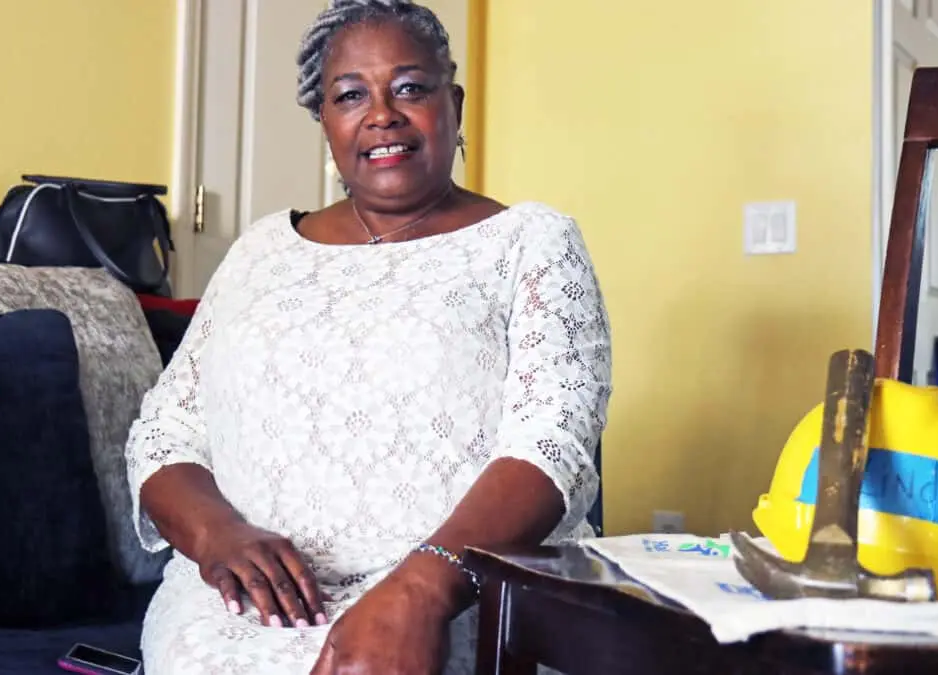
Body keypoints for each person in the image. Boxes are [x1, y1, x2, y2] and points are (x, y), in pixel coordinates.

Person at [124, 1, 612, 673]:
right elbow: (165, 432)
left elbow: (553, 444)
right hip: (241, 607)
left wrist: (419, 590)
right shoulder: (261, 251)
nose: (382, 112)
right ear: (324, 122)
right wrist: (217, 534)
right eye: (350, 95)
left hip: (466, 592)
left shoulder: (532, 243)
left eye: (410, 87)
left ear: (455, 103)